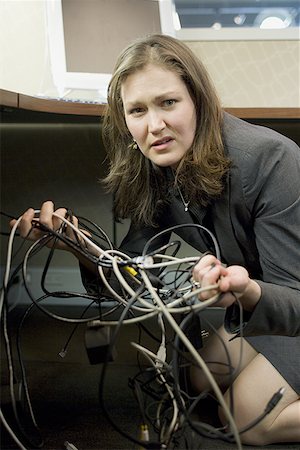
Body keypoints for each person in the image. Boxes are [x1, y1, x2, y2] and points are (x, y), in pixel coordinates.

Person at [11, 34, 300, 445]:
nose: (155, 125)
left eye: (168, 103)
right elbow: (130, 272)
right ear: (124, 120)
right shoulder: (160, 168)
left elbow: (294, 293)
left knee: (242, 415)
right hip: (272, 307)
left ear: (197, 99)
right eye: (138, 110)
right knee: (202, 378)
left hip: (295, 303)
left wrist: (248, 290)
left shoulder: (270, 159)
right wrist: (77, 243)